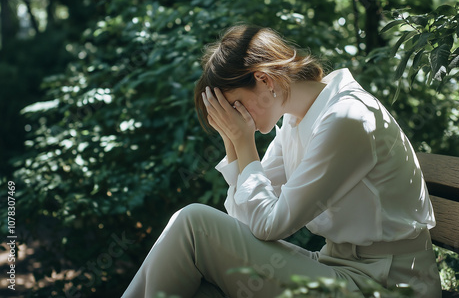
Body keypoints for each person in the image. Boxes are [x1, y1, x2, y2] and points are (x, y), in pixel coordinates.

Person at [121, 25, 442, 298]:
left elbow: (270, 225)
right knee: (195, 241)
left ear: (264, 80)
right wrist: (233, 142)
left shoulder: (346, 117)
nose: (237, 116)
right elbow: (245, 217)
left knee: (193, 224)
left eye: (235, 105)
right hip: (338, 267)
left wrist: (243, 140)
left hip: (385, 284)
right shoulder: (296, 119)